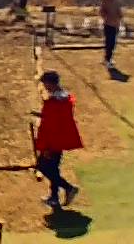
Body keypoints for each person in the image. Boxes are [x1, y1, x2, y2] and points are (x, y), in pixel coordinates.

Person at [34, 70, 83, 209]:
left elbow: (50, 126)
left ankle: (68, 188)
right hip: (60, 140)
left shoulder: (53, 103)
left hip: (52, 142)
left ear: (50, 83)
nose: (45, 86)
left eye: (45, 83)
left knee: (43, 167)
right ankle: (54, 198)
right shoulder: (64, 98)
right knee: (54, 169)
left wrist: (46, 147)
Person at [98, 0, 122, 69]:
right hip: (108, 24)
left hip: (116, 23)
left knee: (113, 43)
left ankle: (108, 58)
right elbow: (101, 11)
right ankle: (107, 59)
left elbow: (119, 10)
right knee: (109, 42)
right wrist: (106, 17)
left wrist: (120, 16)